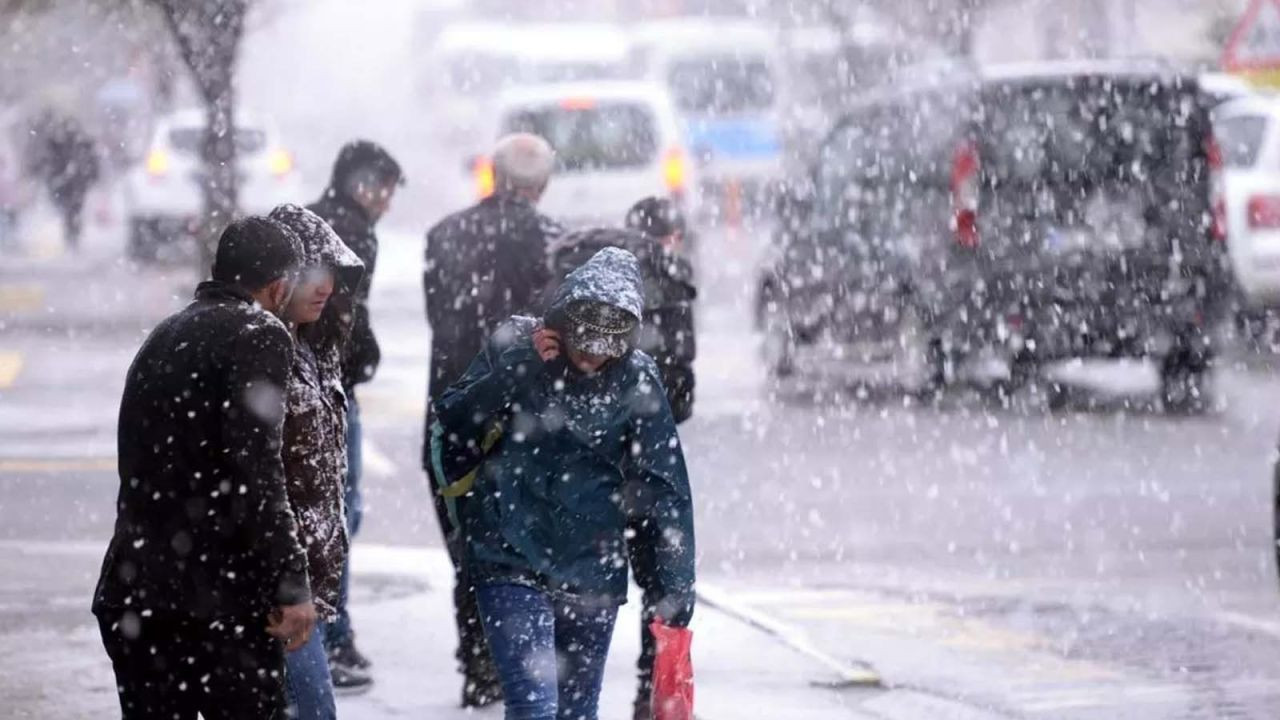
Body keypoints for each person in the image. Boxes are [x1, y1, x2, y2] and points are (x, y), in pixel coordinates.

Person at [433, 247, 696, 720]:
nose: (592, 359)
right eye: (584, 344)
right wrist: (519, 366)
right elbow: (455, 421)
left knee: (576, 712)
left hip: (591, 567)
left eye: (605, 349)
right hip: (508, 555)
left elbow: (666, 489)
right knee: (534, 707)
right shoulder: (518, 343)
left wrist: (675, 593)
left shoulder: (637, 378)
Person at [92, 216, 315, 720]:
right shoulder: (259, 333)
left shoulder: (164, 334)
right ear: (279, 285)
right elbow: (256, 471)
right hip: (214, 604)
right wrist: (290, 582)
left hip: (138, 591)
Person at [422, 132, 563, 707]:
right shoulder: (553, 243)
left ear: (493, 175)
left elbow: (442, 317)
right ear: (542, 184)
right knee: (526, 549)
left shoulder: (444, 235)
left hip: (453, 409)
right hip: (524, 414)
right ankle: (521, 666)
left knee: (467, 542)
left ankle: (478, 662)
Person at [547, 197, 698, 720]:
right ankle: (647, 684)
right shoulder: (672, 280)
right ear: (670, 237)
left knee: (576, 578)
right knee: (657, 574)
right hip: (643, 461)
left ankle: (535, 675)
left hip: (581, 467)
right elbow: (682, 379)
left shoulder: (575, 271)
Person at [306, 140, 403, 686]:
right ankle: (329, 642)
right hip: (331, 388)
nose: (387, 202)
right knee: (338, 516)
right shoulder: (351, 230)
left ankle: (332, 637)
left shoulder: (316, 220)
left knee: (326, 514)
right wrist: (365, 359)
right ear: (361, 183)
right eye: (383, 189)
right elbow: (348, 316)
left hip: (313, 382)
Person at [267, 204, 366, 717]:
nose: (324, 286)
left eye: (331, 273)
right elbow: (260, 479)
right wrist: (286, 582)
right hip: (282, 589)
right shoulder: (263, 353)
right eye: (310, 272)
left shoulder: (317, 349)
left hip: (308, 587)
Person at [26, 111, 100, 250]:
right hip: (69, 183)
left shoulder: (73, 145)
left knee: (71, 210)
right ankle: (71, 235)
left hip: (72, 184)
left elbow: (91, 163)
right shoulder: (65, 145)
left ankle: (72, 235)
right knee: (71, 210)